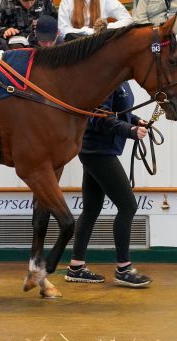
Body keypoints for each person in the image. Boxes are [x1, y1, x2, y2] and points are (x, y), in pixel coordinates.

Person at [64, 82, 151, 287]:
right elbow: (98, 117)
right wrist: (129, 130)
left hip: (96, 150)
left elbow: (117, 111)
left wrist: (135, 120)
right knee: (128, 206)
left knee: (91, 209)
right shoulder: (105, 80)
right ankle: (123, 269)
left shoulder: (120, 80)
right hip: (99, 152)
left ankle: (76, 267)